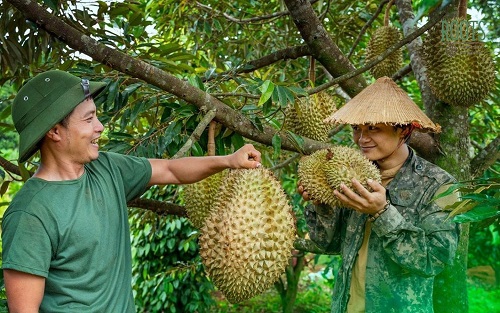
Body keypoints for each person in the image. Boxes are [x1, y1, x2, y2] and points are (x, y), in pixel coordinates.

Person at [1, 69, 262, 312]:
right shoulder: (30, 214)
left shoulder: (107, 169)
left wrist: (229, 160)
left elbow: (171, 169)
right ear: (55, 132)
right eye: (89, 119)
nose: (99, 127)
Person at [298, 76, 459, 313]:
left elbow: (435, 260)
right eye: (356, 128)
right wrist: (322, 204)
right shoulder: (349, 173)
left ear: (404, 130)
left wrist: (382, 213)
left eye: (373, 128)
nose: (362, 139)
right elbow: (328, 243)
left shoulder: (439, 185)